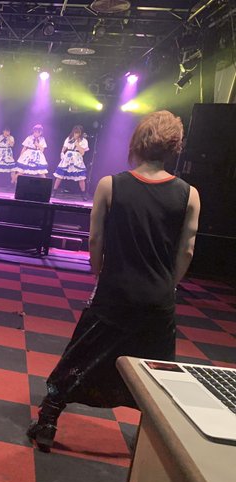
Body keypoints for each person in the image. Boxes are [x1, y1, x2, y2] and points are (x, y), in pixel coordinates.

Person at [27, 110, 200, 453]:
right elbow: (187, 250)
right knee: (155, 370)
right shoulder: (189, 194)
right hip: (158, 297)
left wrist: (99, 273)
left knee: (79, 356)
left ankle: (48, 420)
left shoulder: (110, 185)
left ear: (138, 142)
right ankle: (154, 442)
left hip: (114, 290)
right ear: (175, 147)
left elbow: (95, 239)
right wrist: (169, 283)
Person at [53, 125, 89, 199]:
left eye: (78, 133)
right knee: (60, 175)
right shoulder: (69, 138)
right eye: (75, 132)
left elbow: (82, 153)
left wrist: (77, 144)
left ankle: (83, 194)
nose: (76, 134)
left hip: (77, 159)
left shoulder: (84, 141)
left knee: (81, 177)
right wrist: (62, 152)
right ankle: (54, 191)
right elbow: (64, 147)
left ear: (81, 133)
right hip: (68, 157)